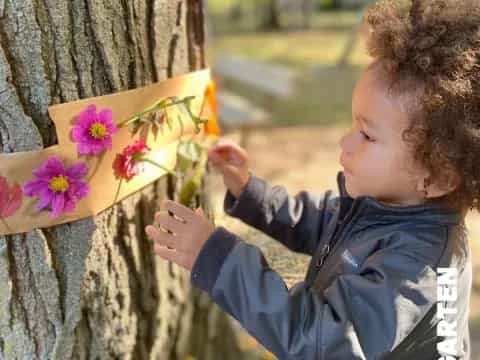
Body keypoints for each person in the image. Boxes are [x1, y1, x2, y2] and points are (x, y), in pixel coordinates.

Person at [144, 0, 479, 358]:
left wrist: (218, 259)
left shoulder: (417, 266)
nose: (345, 142)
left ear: (439, 174)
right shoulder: (389, 206)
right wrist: (250, 193)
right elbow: (322, 222)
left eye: (367, 135)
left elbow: (322, 342)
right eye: (353, 125)